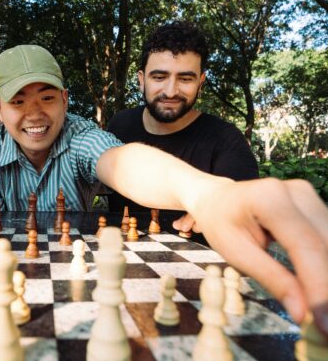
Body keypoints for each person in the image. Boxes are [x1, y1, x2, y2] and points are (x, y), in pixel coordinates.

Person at [0, 44, 328, 351]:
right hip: (10, 289)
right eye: (18, 101)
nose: (34, 113)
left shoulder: (80, 135)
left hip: (81, 291)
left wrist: (205, 193)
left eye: (46, 97)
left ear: (65, 99)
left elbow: (119, 161)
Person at [108, 21, 257, 234]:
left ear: (201, 82)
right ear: (141, 80)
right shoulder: (119, 125)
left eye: (185, 79)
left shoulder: (227, 140)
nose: (170, 91)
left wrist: (227, 209)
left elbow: (245, 209)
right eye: (159, 77)